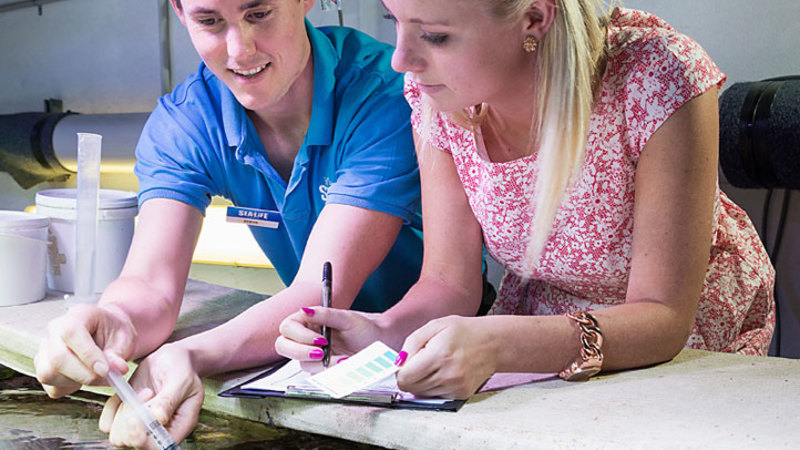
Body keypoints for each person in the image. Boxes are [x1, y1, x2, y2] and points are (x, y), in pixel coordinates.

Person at [277, 0, 775, 400]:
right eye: (396, 22)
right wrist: (379, 331)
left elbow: (663, 317)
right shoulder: (436, 93)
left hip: (680, 346)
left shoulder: (657, 76)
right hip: (536, 333)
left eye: (434, 34)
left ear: (533, 18)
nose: (400, 59)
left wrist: (497, 343)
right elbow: (447, 285)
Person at [33, 0, 434, 446]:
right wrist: (113, 321)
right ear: (180, 13)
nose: (240, 50)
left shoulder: (386, 92)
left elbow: (319, 291)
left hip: (430, 353)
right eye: (210, 21)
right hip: (306, 359)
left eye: (259, 14)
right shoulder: (187, 119)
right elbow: (150, 282)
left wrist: (189, 354)